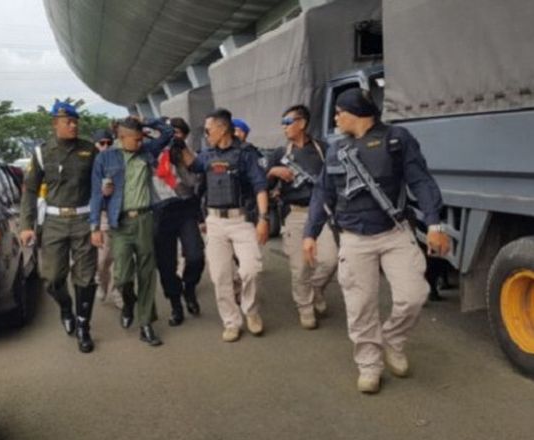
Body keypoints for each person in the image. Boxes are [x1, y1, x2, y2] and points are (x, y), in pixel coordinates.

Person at [302, 88, 450, 393]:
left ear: (355, 113)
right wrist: (310, 233)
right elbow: (322, 193)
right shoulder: (334, 149)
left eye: (339, 112)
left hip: (394, 233)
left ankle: (393, 340)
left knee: (414, 295)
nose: (335, 117)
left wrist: (435, 223)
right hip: (354, 239)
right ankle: (369, 365)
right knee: (360, 306)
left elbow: (420, 180)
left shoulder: (397, 139)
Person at [182, 108, 269, 343]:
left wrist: (263, 219)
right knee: (220, 276)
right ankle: (231, 322)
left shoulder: (245, 154)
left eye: (209, 129)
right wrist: (177, 143)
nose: (206, 133)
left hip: (241, 221)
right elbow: (192, 164)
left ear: (222, 129)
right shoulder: (207, 154)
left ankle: (251, 311)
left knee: (251, 269)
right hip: (215, 222)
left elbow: (260, 186)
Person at [20, 100, 98, 354]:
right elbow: (30, 190)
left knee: (85, 276)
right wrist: (26, 225)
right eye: (68, 122)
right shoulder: (43, 153)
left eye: (75, 121)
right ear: (55, 124)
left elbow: (99, 185)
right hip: (53, 222)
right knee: (52, 278)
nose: (73, 125)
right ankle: (66, 307)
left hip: (84, 219)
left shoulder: (89, 150)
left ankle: (84, 326)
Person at [89, 116, 174, 347]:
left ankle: (146, 323)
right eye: (135, 139)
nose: (140, 142)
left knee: (147, 272)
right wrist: (95, 226)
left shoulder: (146, 150)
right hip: (119, 223)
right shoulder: (105, 158)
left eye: (141, 138)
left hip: (145, 219)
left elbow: (168, 133)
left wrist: (146, 121)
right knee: (123, 276)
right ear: (122, 137)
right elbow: (97, 194)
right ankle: (128, 303)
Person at [267, 104, 337, 330]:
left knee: (330, 259)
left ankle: (315, 289)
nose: (284, 127)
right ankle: (305, 307)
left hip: (321, 213)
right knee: (300, 267)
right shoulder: (279, 154)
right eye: (283, 123)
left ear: (302, 124)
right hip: (295, 214)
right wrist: (272, 172)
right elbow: (265, 187)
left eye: (288, 122)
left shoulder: (323, 149)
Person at [152, 117, 205, 326]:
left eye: (179, 133)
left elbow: (195, 181)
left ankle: (189, 288)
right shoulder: (149, 152)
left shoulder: (186, 154)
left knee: (195, 256)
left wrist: (181, 155)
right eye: (170, 132)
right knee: (166, 264)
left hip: (184, 210)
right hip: (160, 213)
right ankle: (175, 304)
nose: (174, 136)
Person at [91, 129, 124, 309]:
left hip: (121, 215)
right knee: (103, 259)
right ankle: (101, 283)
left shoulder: (119, 161)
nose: (105, 147)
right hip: (102, 216)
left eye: (109, 143)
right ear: (95, 145)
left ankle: (117, 291)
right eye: (101, 143)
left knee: (121, 257)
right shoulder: (91, 164)